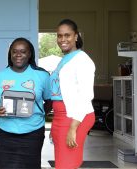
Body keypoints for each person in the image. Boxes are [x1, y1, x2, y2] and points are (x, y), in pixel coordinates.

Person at [0, 37, 51, 169]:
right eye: (14, 51)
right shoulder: (0, 76)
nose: (18, 55)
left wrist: (39, 114)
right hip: (5, 133)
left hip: (33, 133)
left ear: (29, 54)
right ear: (10, 54)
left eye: (23, 51)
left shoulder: (42, 76)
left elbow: (49, 101)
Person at [49, 19, 96, 169]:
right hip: (61, 115)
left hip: (74, 116)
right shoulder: (66, 59)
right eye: (59, 36)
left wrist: (73, 128)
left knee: (65, 165)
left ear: (76, 36)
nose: (62, 39)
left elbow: (86, 95)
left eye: (67, 35)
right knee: (64, 163)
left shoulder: (82, 60)